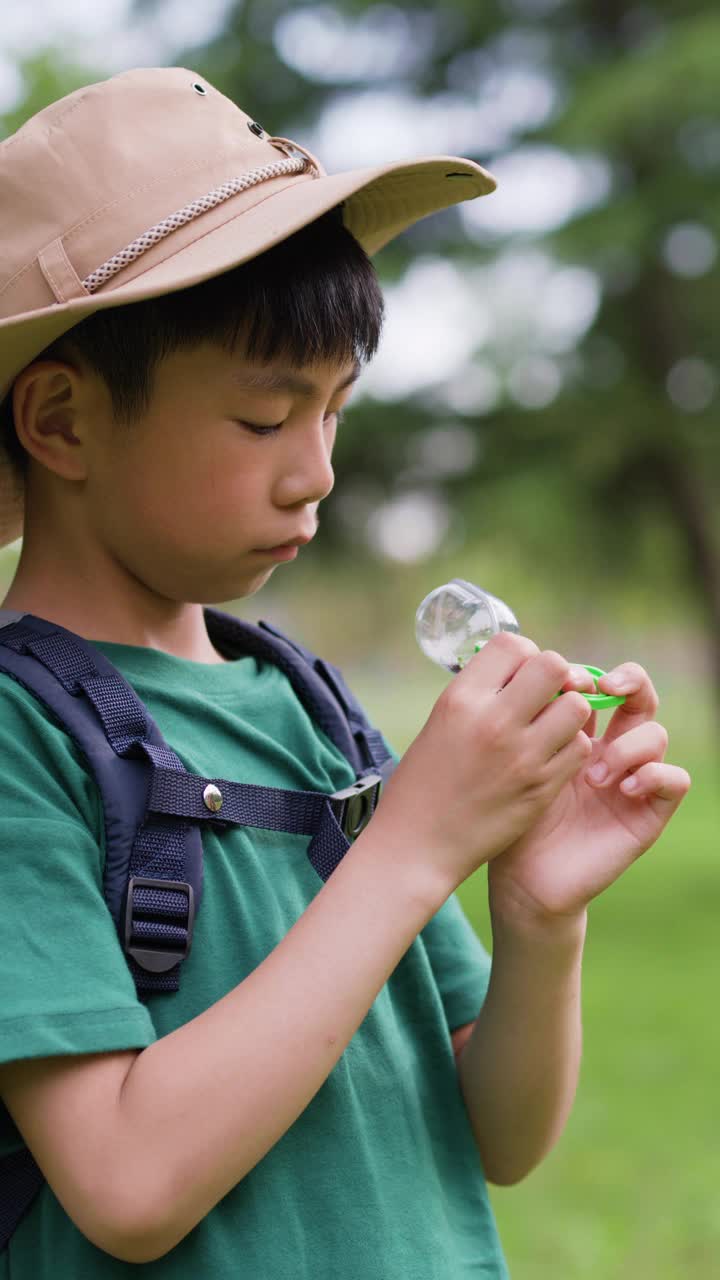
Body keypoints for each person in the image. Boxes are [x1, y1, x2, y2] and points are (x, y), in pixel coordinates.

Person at [0, 66, 690, 1279]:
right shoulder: (21, 737)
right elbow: (125, 1179)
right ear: (61, 422)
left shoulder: (313, 714)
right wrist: (416, 845)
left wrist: (538, 914)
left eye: (336, 412)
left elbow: (499, 1132)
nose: (315, 471)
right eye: (265, 419)